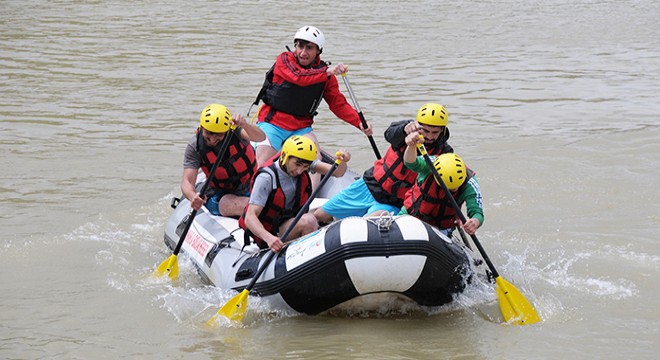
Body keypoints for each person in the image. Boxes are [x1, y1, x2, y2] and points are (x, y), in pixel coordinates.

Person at [251, 25, 373, 173]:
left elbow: (338, 104)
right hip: (272, 123)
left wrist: (359, 122)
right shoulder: (284, 60)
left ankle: (310, 195)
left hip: (301, 128)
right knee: (262, 161)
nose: (303, 52)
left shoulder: (326, 76)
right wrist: (328, 72)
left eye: (309, 48)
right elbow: (299, 77)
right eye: (300, 46)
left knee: (314, 163)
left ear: (318, 51)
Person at [314, 103, 453, 223]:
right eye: (426, 130)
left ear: (442, 130)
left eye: (435, 132)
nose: (429, 136)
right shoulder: (406, 130)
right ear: (418, 125)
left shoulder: (445, 152)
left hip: (395, 201)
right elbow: (389, 134)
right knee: (320, 215)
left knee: (367, 223)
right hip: (370, 185)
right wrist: (405, 129)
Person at [239, 136, 351, 252]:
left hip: (288, 222)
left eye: (305, 167)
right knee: (309, 221)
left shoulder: (303, 164)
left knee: (318, 218)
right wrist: (269, 238)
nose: (299, 171)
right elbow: (250, 217)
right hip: (271, 233)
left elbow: (338, 172)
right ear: (284, 156)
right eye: (297, 164)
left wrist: (342, 161)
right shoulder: (266, 178)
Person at [181, 104, 266, 217]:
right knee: (237, 203)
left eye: (218, 135)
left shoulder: (236, 132)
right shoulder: (195, 146)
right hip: (220, 193)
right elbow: (187, 182)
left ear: (226, 131)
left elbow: (261, 137)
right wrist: (192, 196)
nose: (212, 139)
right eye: (208, 133)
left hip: (249, 184)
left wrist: (244, 125)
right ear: (201, 127)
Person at [399, 135, 484, 236]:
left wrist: (475, 222)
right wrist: (411, 146)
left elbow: (477, 213)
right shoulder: (430, 165)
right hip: (410, 216)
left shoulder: (470, 183)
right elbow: (410, 162)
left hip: (441, 229)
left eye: (455, 188)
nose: (453, 190)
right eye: (449, 188)